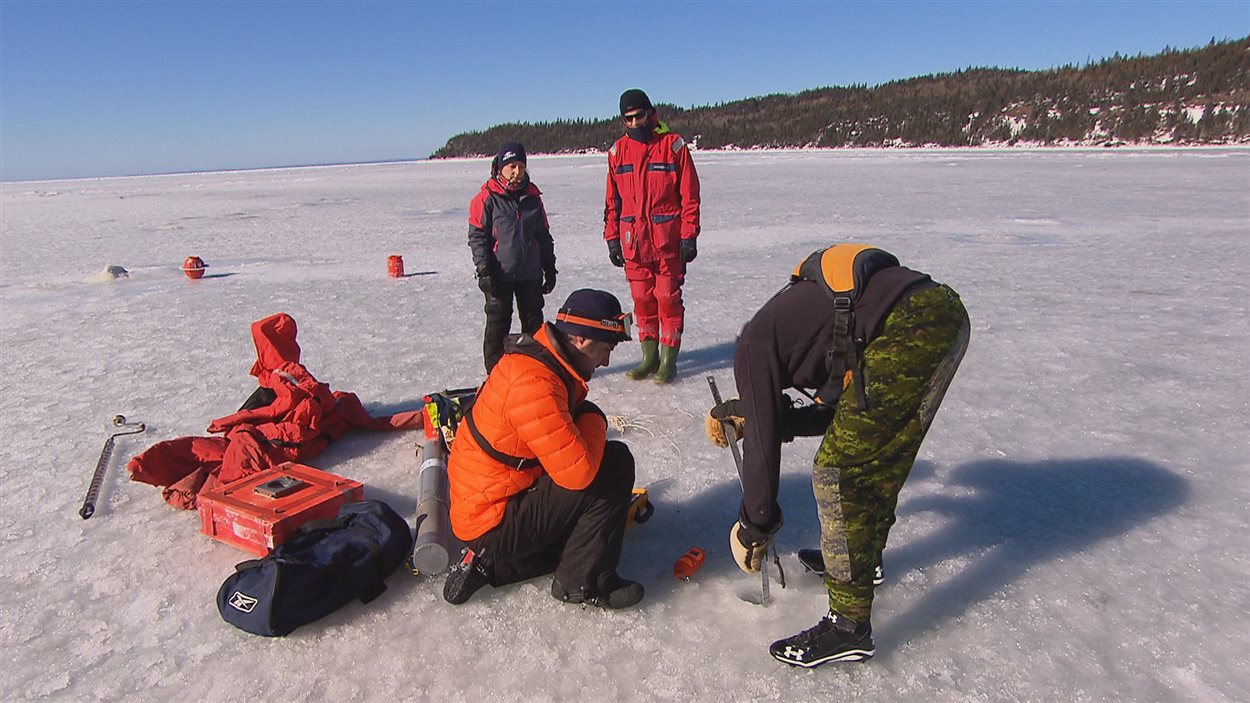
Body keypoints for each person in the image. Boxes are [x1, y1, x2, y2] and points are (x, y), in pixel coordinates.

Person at [707, 244, 969, 667]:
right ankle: (860, 562)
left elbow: (761, 449)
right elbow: (836, 417)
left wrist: (754, 525)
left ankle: (849, 626)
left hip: (910, 325)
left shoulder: (752, 348)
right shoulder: (809, 324)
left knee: (840, 472)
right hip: (938, 312)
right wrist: (764, 419)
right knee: (874, 454)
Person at [443, 288, 644, 609]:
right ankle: (582, 583)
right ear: (579, 339)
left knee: (577, 538)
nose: (606, 361)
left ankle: (493, 566)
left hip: (488, 502)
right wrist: (594, 417)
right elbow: (579, 474)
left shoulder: (542, 362)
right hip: (491, 519)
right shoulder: (535, 384)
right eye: (605, 349)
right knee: (614, 465)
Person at [603, 88, 701, 384]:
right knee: (642, 300)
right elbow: (612, 202)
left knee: (667, 299)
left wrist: (689, 236)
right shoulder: (617, 153)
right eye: (628, 119)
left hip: (667, 243)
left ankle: (669, 360)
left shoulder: (673, 147)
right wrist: (612, 238)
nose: (634, 123)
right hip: (634, 244)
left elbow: (690, 196)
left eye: (638, 116)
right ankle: (649, 357)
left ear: (650, 113)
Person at [469, 141, 558, 372]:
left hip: (529, 273)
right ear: (500, 168)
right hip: (500, 274)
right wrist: (484, 270)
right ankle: (495, 373)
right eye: (512, 167)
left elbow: (543, 235)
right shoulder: (486, 198)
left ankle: (534, 370)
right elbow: (478, 237)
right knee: (498, 324)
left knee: (533, 323)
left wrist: (549, 266)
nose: (517, 173)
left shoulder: (533, 198)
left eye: (521, 166)